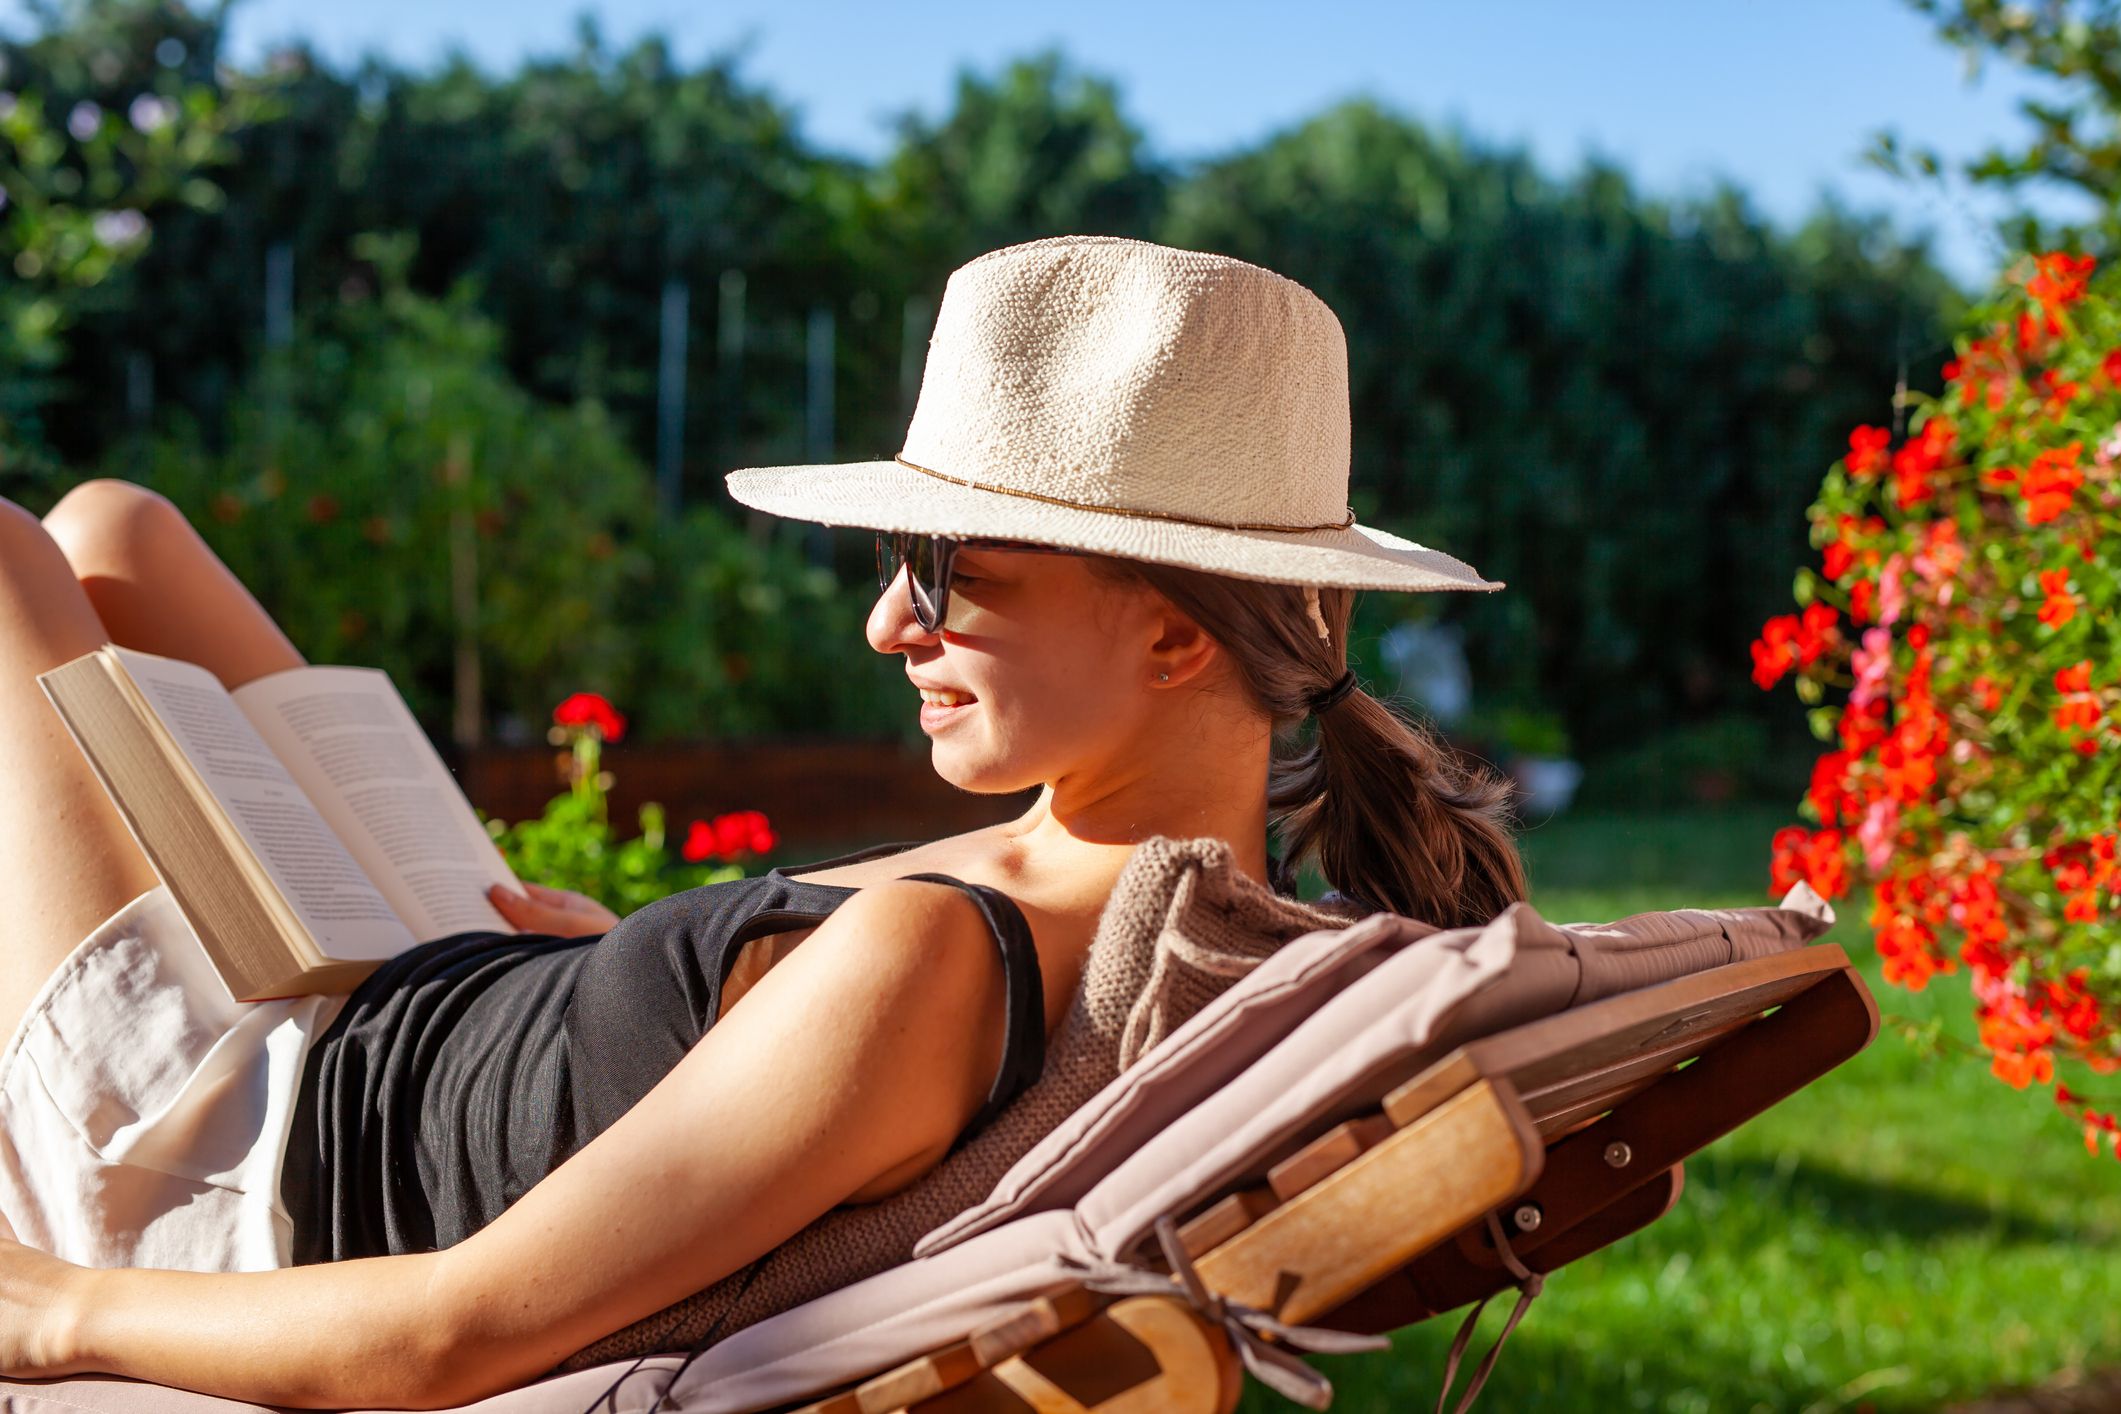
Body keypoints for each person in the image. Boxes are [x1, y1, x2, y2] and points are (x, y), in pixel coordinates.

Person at [0, 233, 1528, 1408]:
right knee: (113, 532)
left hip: (261, 1138)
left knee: (11, 554)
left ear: (1177, 637)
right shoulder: (1121, 880)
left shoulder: (941, 955)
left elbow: (441, 1332)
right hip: (465, 985)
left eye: (942, 569)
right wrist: (665, 985)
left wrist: (53, 1307)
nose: (883, 624)